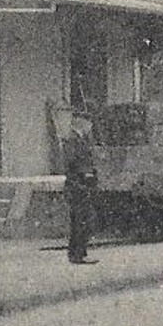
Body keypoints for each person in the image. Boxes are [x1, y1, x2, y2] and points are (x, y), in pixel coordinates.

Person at [61, 107, 100, 264]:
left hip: (84, 184)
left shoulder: (83, 138)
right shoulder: (72, 139)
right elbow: (71, 162)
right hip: (77, 184)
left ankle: (80, 252)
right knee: (81, 220)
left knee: (85, 219)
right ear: (80, 122)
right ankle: (76, 254)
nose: (90, 125)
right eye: (88, 122)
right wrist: (84, 175)